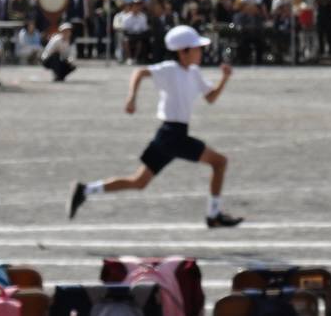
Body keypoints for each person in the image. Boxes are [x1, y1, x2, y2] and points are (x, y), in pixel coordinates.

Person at [67, 25, 243, 228]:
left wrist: (224, 79)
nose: (200, 52)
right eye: (196, 48)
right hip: (172, 135)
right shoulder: (169, 69)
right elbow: (139, 72)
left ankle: (85, 190)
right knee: (219, 162)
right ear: (183, 51)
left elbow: (210, 97)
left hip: (168, 136)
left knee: (139, 182)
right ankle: (214, 216)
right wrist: (132, 97)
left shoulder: (194, 73)